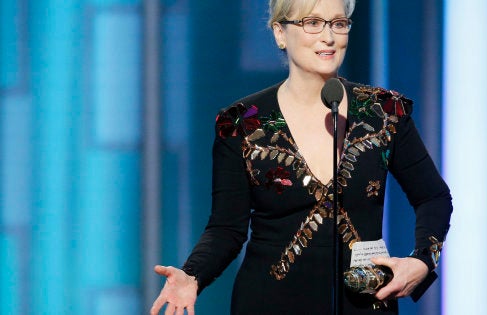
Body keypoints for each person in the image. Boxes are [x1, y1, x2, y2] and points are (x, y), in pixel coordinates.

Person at [150, 0, 452, 314]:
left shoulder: (383, 112)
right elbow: (227, 227)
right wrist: (192, 274)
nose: (329, 37)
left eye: (338, 23)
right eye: (312, 23)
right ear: (280, 33)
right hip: (270, 301)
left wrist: (422, 261)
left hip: (364, 301)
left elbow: (433, 196)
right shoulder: (243, 122)